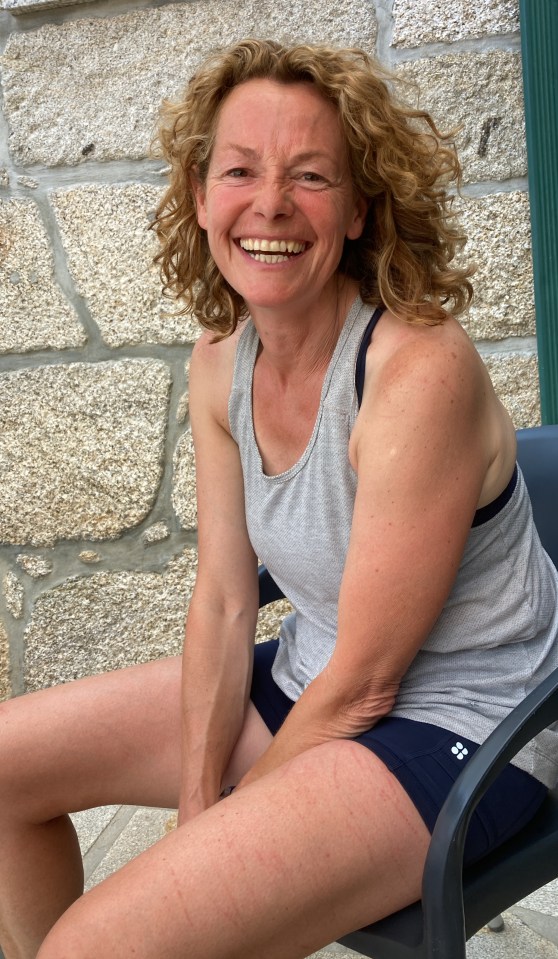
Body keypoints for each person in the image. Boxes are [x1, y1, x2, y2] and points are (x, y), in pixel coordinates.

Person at [1, 37, 557, 959]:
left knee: (102, 944)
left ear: (357, 210)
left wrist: (213, 837)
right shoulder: (222, 362)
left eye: (309, 175)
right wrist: (195, 794)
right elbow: (224, 600)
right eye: (240, 171)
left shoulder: (417, 372)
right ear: (199, 197)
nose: (269, 204)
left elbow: (371, 683)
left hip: (467, 722)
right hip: (315, 679)